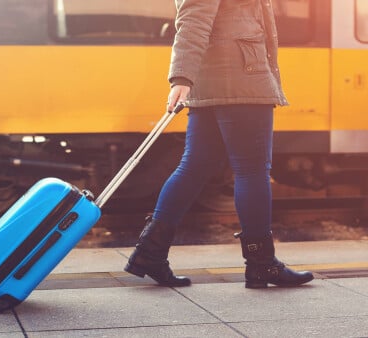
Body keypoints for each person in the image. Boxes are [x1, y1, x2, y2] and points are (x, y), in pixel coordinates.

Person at [124, 0, 314, 289]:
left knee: (195, 167)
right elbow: (193, 18)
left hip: (215, 79)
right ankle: (261, 263)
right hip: (241, 77)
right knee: (252, 171)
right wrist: (181, 77)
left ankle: (150, 254)